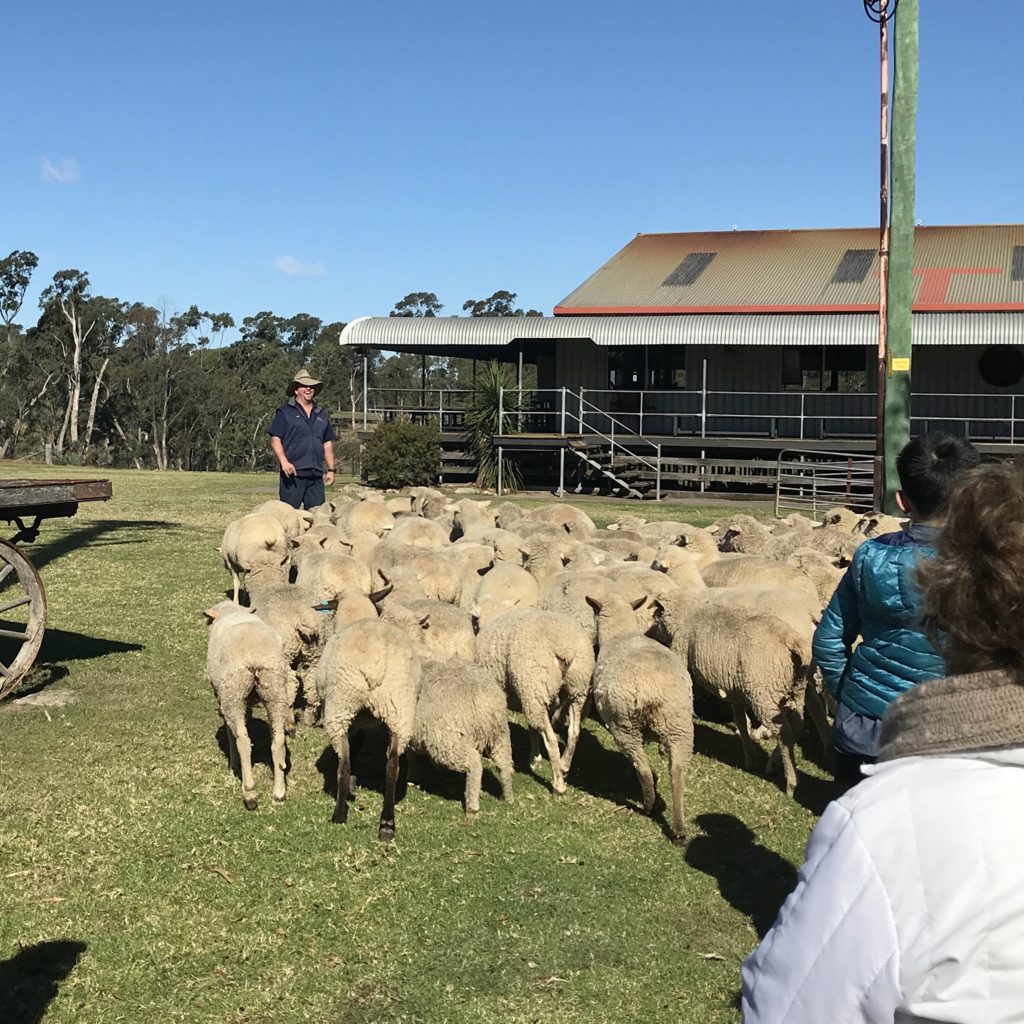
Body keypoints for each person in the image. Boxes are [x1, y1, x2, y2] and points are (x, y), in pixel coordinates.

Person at [741, 459, 1024, 1022]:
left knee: (854, 876)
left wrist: (849, 699)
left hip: (869, 722)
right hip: (941, 719)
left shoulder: (882, 821)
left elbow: (789, 1009)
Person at [812, 432, 980, 792]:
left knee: (859, 834)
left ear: (902, 501)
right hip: (953, 729)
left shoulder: (870, 557)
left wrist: (850, 695)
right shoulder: (987, 566)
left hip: (867, 730)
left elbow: (828, 640)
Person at [268, 369, 336, 510]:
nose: (308, 389)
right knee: (289, 515)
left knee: (317, 515)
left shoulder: (321, 413)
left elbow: (327, 443)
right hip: (293, 473)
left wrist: (331, 469)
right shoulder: (285, 412)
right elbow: (275, 440)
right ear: (295, 390)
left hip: (316, 474)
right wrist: (284, 462)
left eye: (311, 386)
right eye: (304, 386)